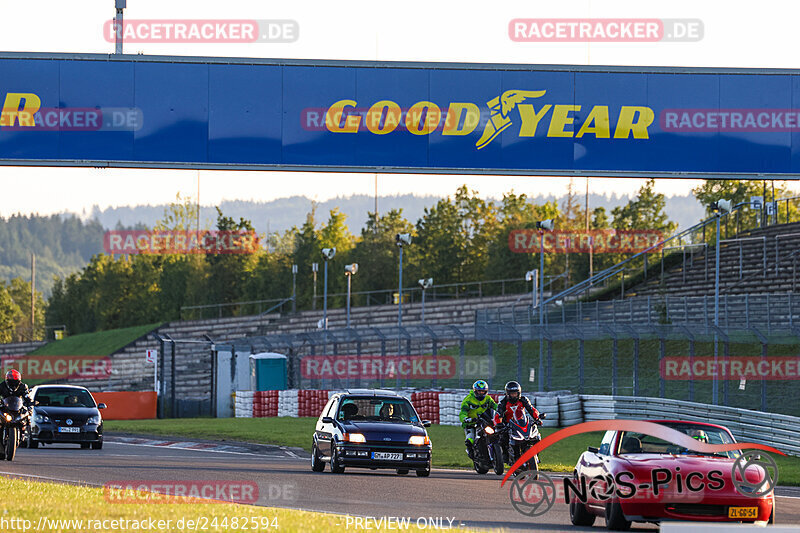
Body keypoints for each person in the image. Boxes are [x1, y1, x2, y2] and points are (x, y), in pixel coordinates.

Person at [497, 381, 543, 464]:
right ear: (507, 394)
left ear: (519, 393)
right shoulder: (503, 403)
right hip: (509, 425)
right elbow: (498, 415)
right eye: (512, 394)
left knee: (537, 437)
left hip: (522, 423)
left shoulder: (523, 400)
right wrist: (499, 424)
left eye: (515, 393)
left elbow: (531, 409)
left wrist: (537, 418)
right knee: (502, 438)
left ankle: (535, 455)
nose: (514, 395)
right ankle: (506, 456)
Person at [459, 380, 497, 460]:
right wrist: (465, 419)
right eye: (479, 391)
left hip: (485, 421)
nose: (481, 393)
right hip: (472, 423)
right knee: (470, 439)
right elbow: (463, 412)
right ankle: (470, 451)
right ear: (475, 391)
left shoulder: (488, 399)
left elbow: (495, 406)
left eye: (483, 391)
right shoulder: (468, 400)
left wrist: (502, 411)